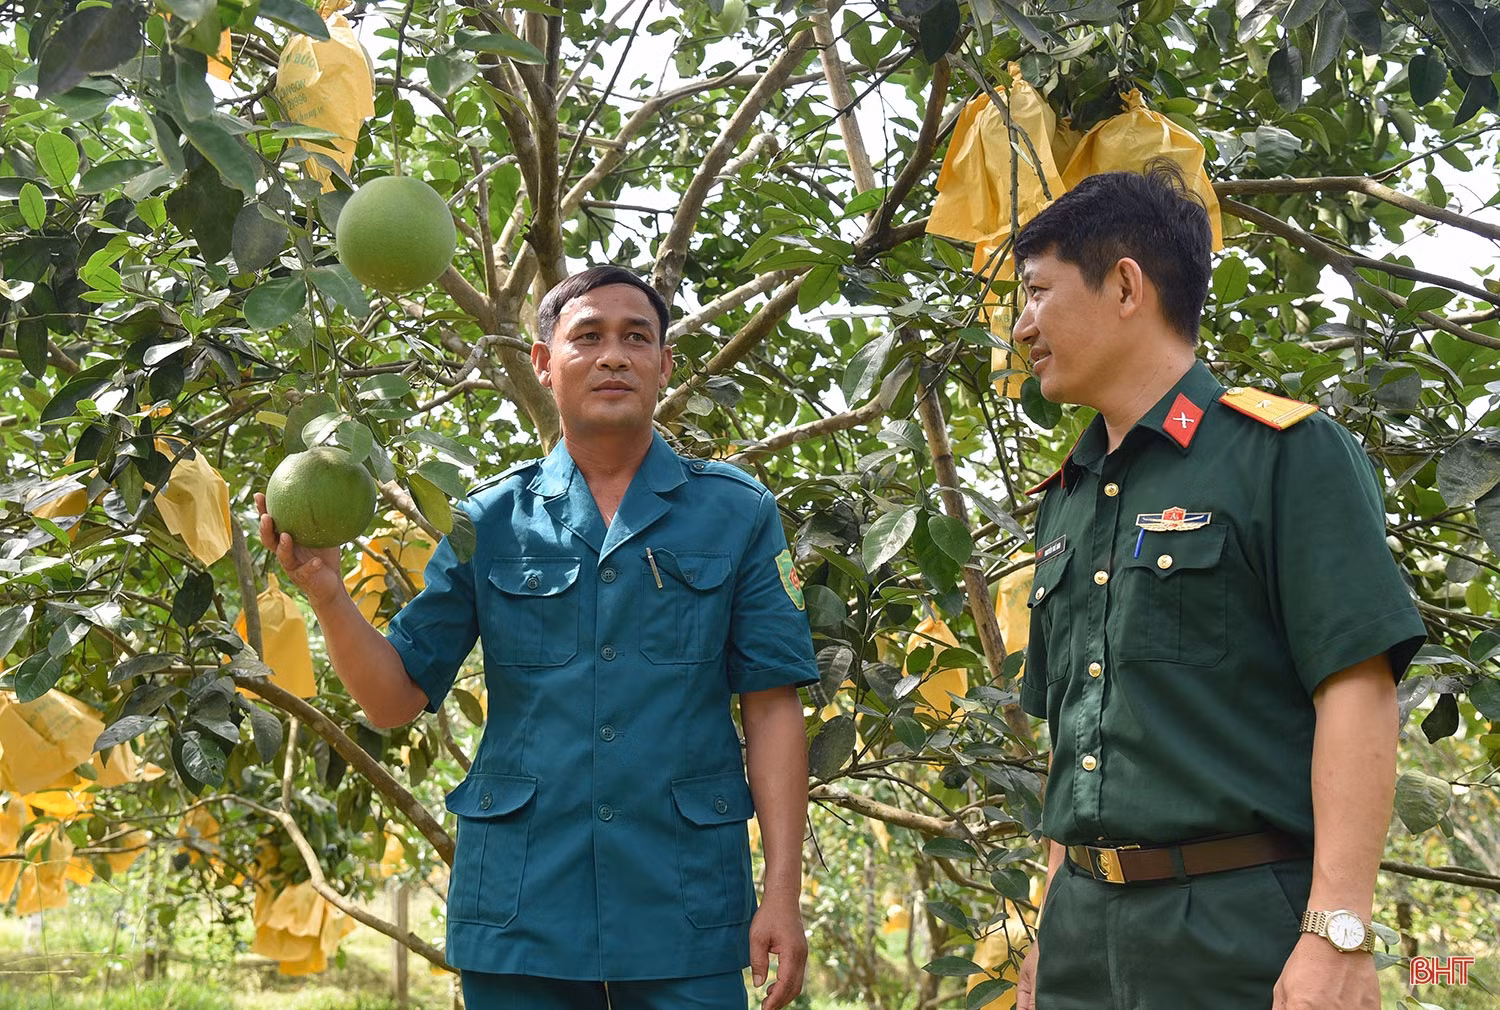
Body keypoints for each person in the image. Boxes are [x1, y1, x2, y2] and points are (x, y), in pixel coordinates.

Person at [257, 265, 816, 1010]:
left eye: (636, 338)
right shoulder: (487, 520)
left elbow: (772, 705)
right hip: (523, 905)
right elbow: (393, 701)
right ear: (544, 363)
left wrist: (783, 894)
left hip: (687, 904)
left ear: (664, 365)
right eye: (588, 337)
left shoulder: (737, 513)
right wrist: (328, 597)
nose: (614, 355)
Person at [1009, 166, 1425, 1010]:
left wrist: (1339, 930)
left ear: (1125, 285)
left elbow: (1356, 687)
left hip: (1235, 928)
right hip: (1083, 931)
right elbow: (1074, 735)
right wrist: (1051, 921)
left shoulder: (1283, 454)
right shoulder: (1067, 497)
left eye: (1038, 292)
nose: (1023, 327)